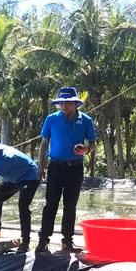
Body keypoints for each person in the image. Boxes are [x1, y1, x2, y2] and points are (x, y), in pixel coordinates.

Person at [35, 87, 96, 254]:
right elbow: (44, 143)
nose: (64, 106)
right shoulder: (51, 119)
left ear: (76, 103)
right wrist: (41, 166)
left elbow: (92, 143)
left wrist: (86, 150)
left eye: (68, 103)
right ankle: (43, 239)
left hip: (75, 167)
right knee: (51, 203)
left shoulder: (86, 120)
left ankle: (67, 240)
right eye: (61, 103)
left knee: (70, 205)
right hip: (56, 166)